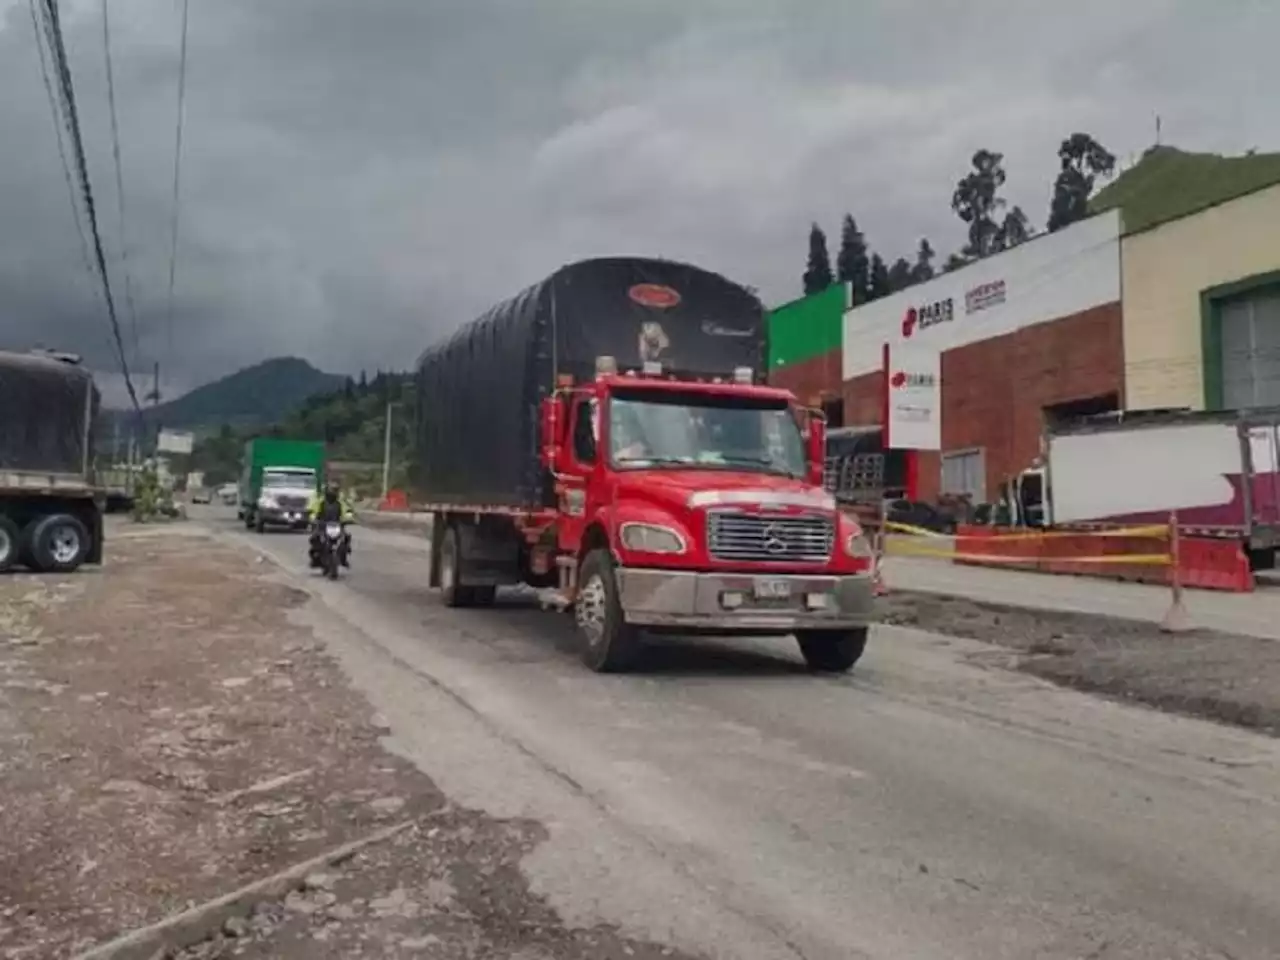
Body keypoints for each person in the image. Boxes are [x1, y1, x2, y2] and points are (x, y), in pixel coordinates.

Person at [308, 480, 354, 568]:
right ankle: (315, 558)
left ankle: (343, 558)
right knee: (314, 538)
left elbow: (346, 511)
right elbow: (313, 510)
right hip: (322, 525)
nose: (333, 492)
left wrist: (348, 517)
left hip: (337, 525)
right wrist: (313, 517)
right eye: (332, 490)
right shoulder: (321, 501)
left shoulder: (340, 503)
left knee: (346, 537)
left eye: (335, 490)